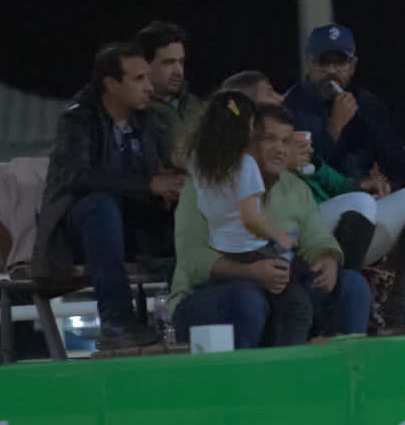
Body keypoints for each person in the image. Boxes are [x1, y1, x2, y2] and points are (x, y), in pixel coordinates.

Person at [225, 70, 405, 332]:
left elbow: (334, 182)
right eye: (270, 92)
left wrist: (359, 183)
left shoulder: (291, 134)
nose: (279, 96)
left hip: (339, 228)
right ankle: (343, 303)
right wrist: (283, 161)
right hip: (294, 237)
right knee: (360, 204)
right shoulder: (238, 151)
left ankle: (404, 308)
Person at [170, 102, 372, 348]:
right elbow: (192, 258)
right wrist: (250, 272)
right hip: (209, 294)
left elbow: (316, 237)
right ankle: (259, 371)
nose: (280, 149)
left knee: (352, 285)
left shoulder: (295, 187)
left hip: (280, 293)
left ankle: (346, 369)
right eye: (270, 139)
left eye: (286, 141)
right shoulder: (205, 184)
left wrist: (327, 258)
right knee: (248, 299)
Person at [32, 43, 183, 349]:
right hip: (83, 234)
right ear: (111, 84)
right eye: (138, 79)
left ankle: (195, 314)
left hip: (134, 226)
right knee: (100, 205)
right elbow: (77, 178)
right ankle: (117, 319)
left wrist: (174, 187)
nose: (149, 86)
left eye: (148, 77)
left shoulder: (148, 120)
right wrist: (149, 184)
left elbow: (161, 171)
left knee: (192, 211)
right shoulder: (78, 120)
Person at [179, 92, 313, 345]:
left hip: (222, 247)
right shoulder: (245, 165)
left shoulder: (198, 162)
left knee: (295, 282)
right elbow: (250, 219)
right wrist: (279, 236)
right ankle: (287, 363)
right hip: (251, 251)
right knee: (298, 307)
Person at [284, 24, 405, 189]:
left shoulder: (368, 104)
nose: (332, 70)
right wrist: (334, 129)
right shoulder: (289, 108)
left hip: (372, 194)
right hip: (323, 198)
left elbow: (396, 159)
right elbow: (307, 175)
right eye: (324, 62)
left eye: (340, 62)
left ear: (352, 66)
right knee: (361, 201)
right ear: (310, 63)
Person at [135, 20, 204, 161]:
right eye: (169, 62)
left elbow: (234, 109)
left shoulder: (195, 104)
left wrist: (237, 110)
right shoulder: (133, 112)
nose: (178, 71)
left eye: (181, 62)